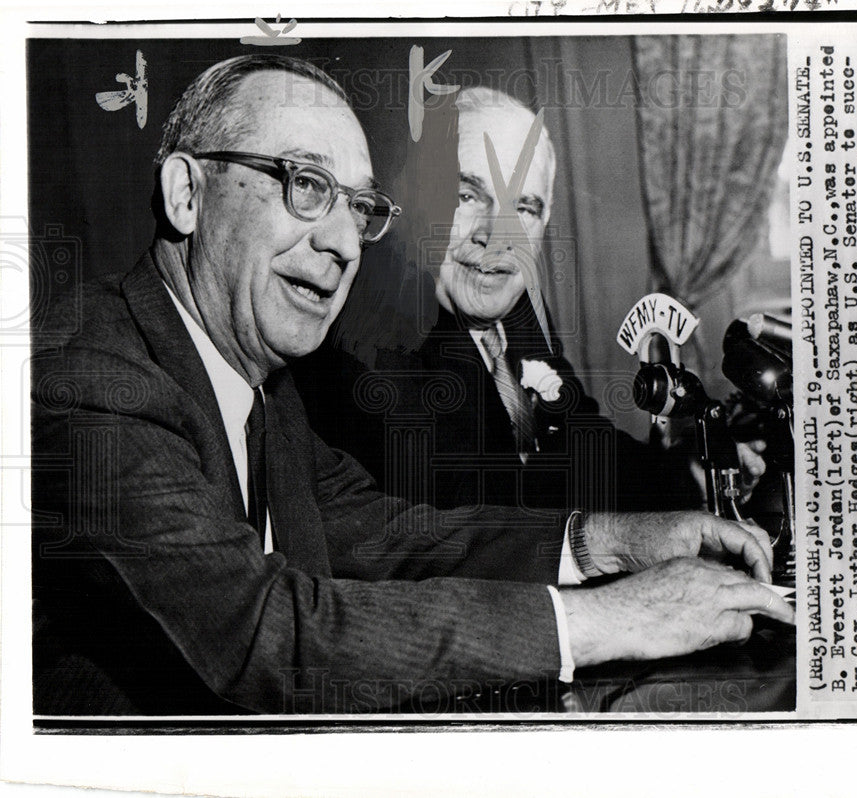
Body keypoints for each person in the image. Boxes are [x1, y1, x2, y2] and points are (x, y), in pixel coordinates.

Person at [31, 55, 792, 716]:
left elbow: (394, 537)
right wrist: (604, 622)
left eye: (358, 208)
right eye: (304, 184)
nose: (339, 242)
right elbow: (267, 636)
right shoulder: (92, 376)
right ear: (187, 195)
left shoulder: (260, 381)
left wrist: (604, 545)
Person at [297, 87, 763, 513]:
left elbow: (582, 442)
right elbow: (469, 505)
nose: (497, 238)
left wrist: (686, 474)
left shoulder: (513, 305)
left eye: (523, 208)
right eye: (466, 195)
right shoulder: (376, 330)